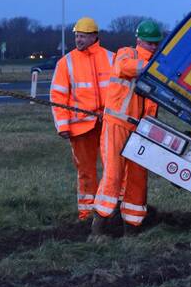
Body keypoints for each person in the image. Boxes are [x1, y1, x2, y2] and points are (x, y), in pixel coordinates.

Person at [91, 20, 162, 239]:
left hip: (141, 129)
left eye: (155, 44)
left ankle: (132, 228)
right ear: (139, 40)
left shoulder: (157, 63)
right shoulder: (127, 54)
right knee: (113, 174)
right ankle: (98, 227)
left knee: (138, 178)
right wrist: (151, 65)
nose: (152, 47)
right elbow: (124, 67)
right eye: (149, 43)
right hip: (117, 123)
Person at [49, 16, 115, 221]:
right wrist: (62, 126)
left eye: (83, 36)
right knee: (86, 172)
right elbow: (57, 96)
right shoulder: (65, 63)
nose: (79, 40)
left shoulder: (111, 58)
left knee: (113, 169)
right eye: (77, 36)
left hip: (108, 124)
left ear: (95, 36)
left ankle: (110, 210)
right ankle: (87, 213)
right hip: (80, 128)